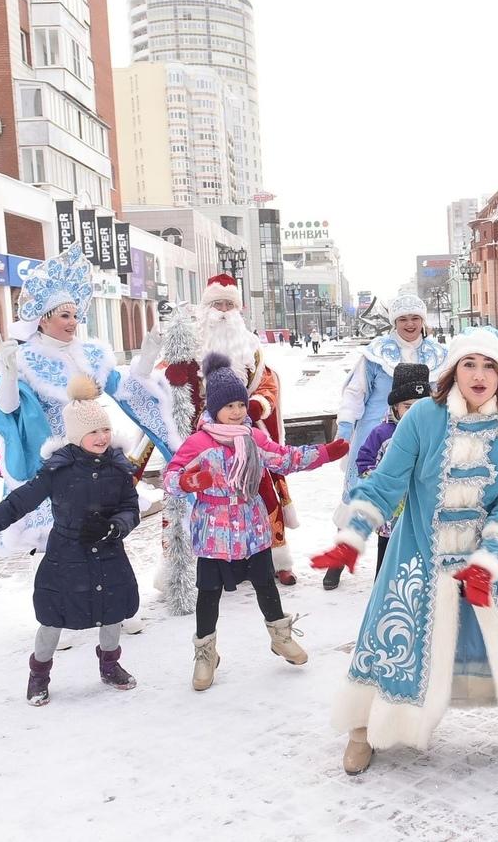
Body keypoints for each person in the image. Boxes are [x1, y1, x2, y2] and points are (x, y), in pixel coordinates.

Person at [310, 328, 498, 775]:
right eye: (469, 364)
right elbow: (385, 482)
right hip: (419, 555)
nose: (479, 375)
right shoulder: (422, 418)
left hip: (489, 557)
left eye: (489, 365)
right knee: (389, 639)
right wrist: (352, 533)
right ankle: (366, 729)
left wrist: (489, 559)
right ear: (453, 371)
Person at [0, 376, 141, 705]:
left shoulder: (118, 468)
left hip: (107, 552)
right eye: (93, 432)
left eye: (104, 429)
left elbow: (129, 508)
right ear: (77, 436)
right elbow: (17, 504)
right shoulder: (57, 471)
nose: (102, 437)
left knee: (113, 612)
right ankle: (39, 675)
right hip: (66, 557)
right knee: (52, 620)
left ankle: (110, 665)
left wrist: (113, 527)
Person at [0, 243, 179, 557]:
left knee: (102, 541)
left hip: (97, 459)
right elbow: (8, 409)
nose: (73, 322)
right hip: (52, 466)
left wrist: (150, 351)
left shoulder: (90, 355)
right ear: (42, 320)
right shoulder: (27, 359)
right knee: (59, 548)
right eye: (64, 315)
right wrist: (8, 371)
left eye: (74, 314)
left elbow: (127, 390)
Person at [165, 355, 348, 689]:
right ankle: (205, 653)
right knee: (208, 592)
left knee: (265, 583)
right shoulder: (198, 443)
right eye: (229, 406)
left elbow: (286, 458)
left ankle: (280, 637)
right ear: (214, 408)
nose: (237, 412)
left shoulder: (253, 439)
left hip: (251, 526)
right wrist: (188, 482)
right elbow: (171, 476)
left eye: (241, 404)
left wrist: (324, 453)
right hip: (213, 532)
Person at [152, 273, 304, 586]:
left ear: (238, 310)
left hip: (242, 435)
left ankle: (274, 558)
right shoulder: (187, 346)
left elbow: (267, 381)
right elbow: (160, 384)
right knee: (199, 500)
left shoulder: (250, 347)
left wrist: (257, 404)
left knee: (261, 494)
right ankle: (191, 566)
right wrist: (174, 379)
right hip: (200, 440)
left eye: (228, 304)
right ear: (205, 308)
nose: (223, 311)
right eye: (217, 304)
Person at [332, 294, 446, 543]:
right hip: (376, 435)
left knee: (412, 498)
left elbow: (447, 397)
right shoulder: (376, 354)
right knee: (360, 494)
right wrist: (344, 428)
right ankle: (341, 555)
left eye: (415, 318)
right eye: (403, 319)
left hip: (422, 437)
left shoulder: (440, 355)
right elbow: (355, 393)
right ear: (394, 322)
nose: (410, 324)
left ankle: (401, 554)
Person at [323, 362, 430, 590]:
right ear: (396, 408)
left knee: (419, 550)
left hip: (420, 507)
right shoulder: (382, 432)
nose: (413, 413)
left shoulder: (431, 433)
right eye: (407, 406)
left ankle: (417, 590)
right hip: (390, 509)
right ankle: (381, 589)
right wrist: (373, 474)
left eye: (420, 407)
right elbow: (365, 457)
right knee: (388, 548)